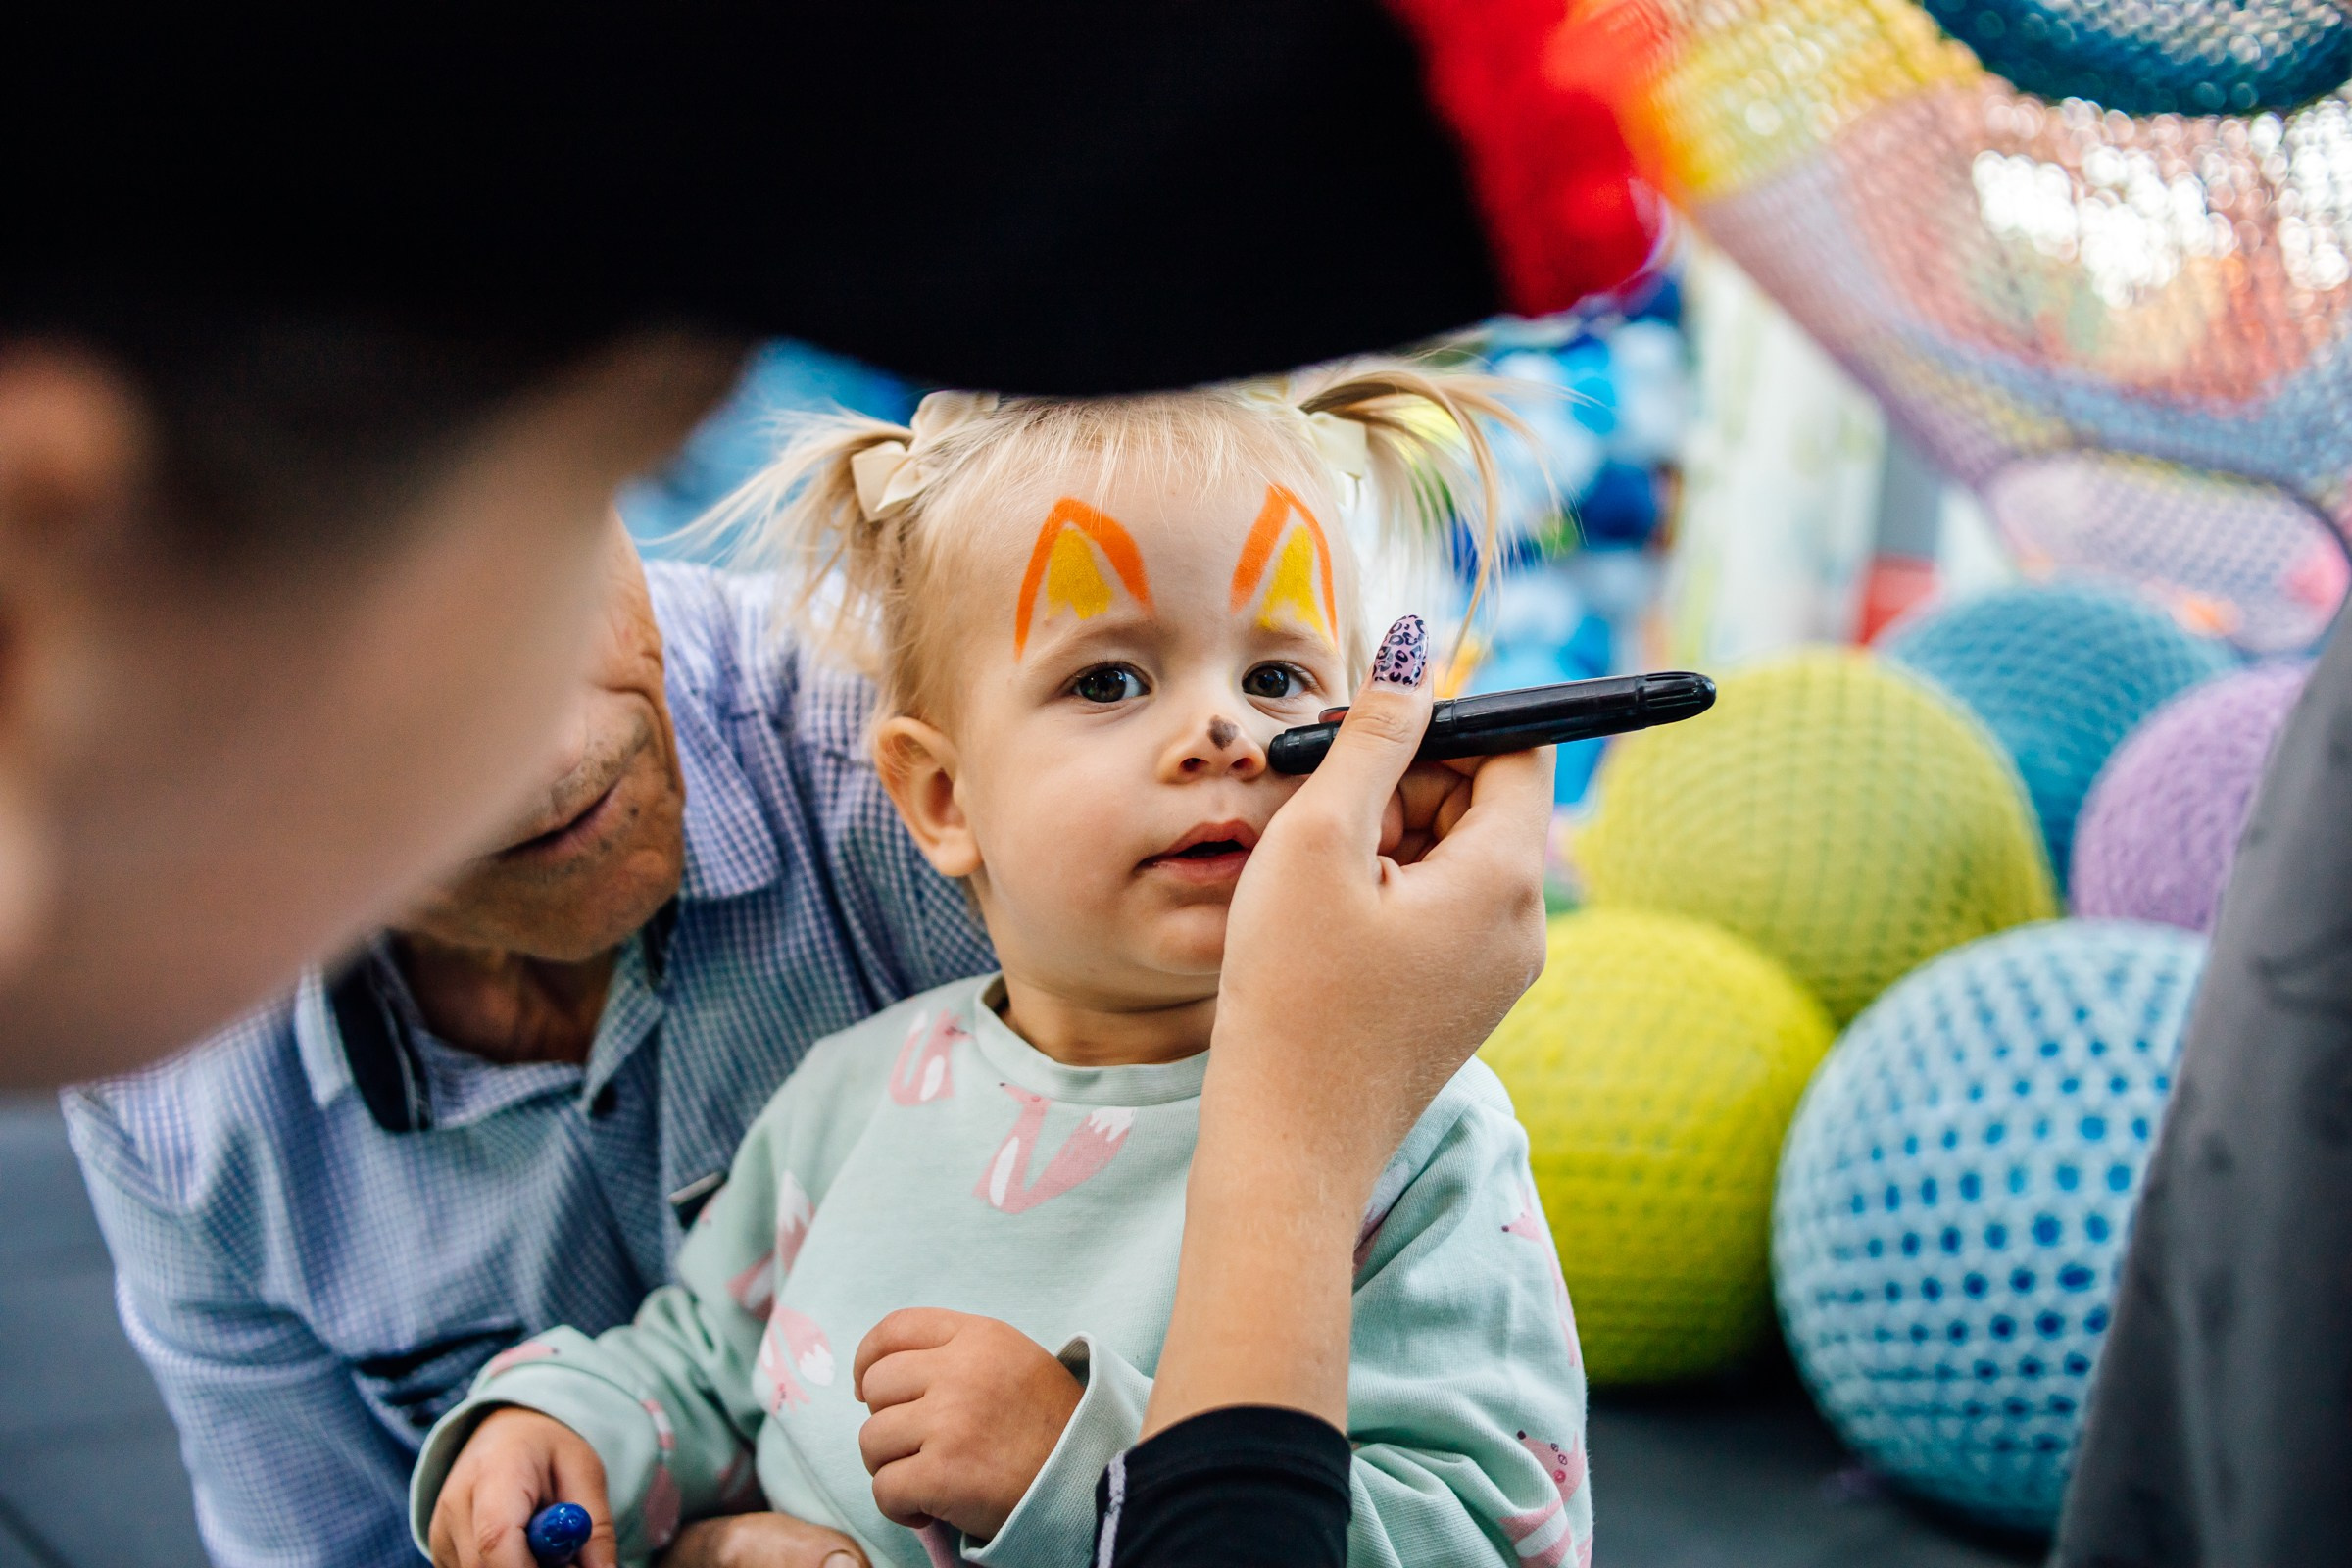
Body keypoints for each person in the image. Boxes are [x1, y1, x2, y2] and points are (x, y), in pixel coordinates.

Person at [415, 369, 1590, 1568]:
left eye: (1276, 678)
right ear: (941, 795)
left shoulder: (1422, 1134)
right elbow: (706, 1364)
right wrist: (569, 1421)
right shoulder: (850, 1093)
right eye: (1109, 680)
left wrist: (1082, 1473)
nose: (1225, 735)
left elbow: (1494, 1535)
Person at [65, 523, 991, 1568]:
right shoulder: (172, 1089)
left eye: (543, 586)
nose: (554, 756)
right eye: (402, 713)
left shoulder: (939, 760)